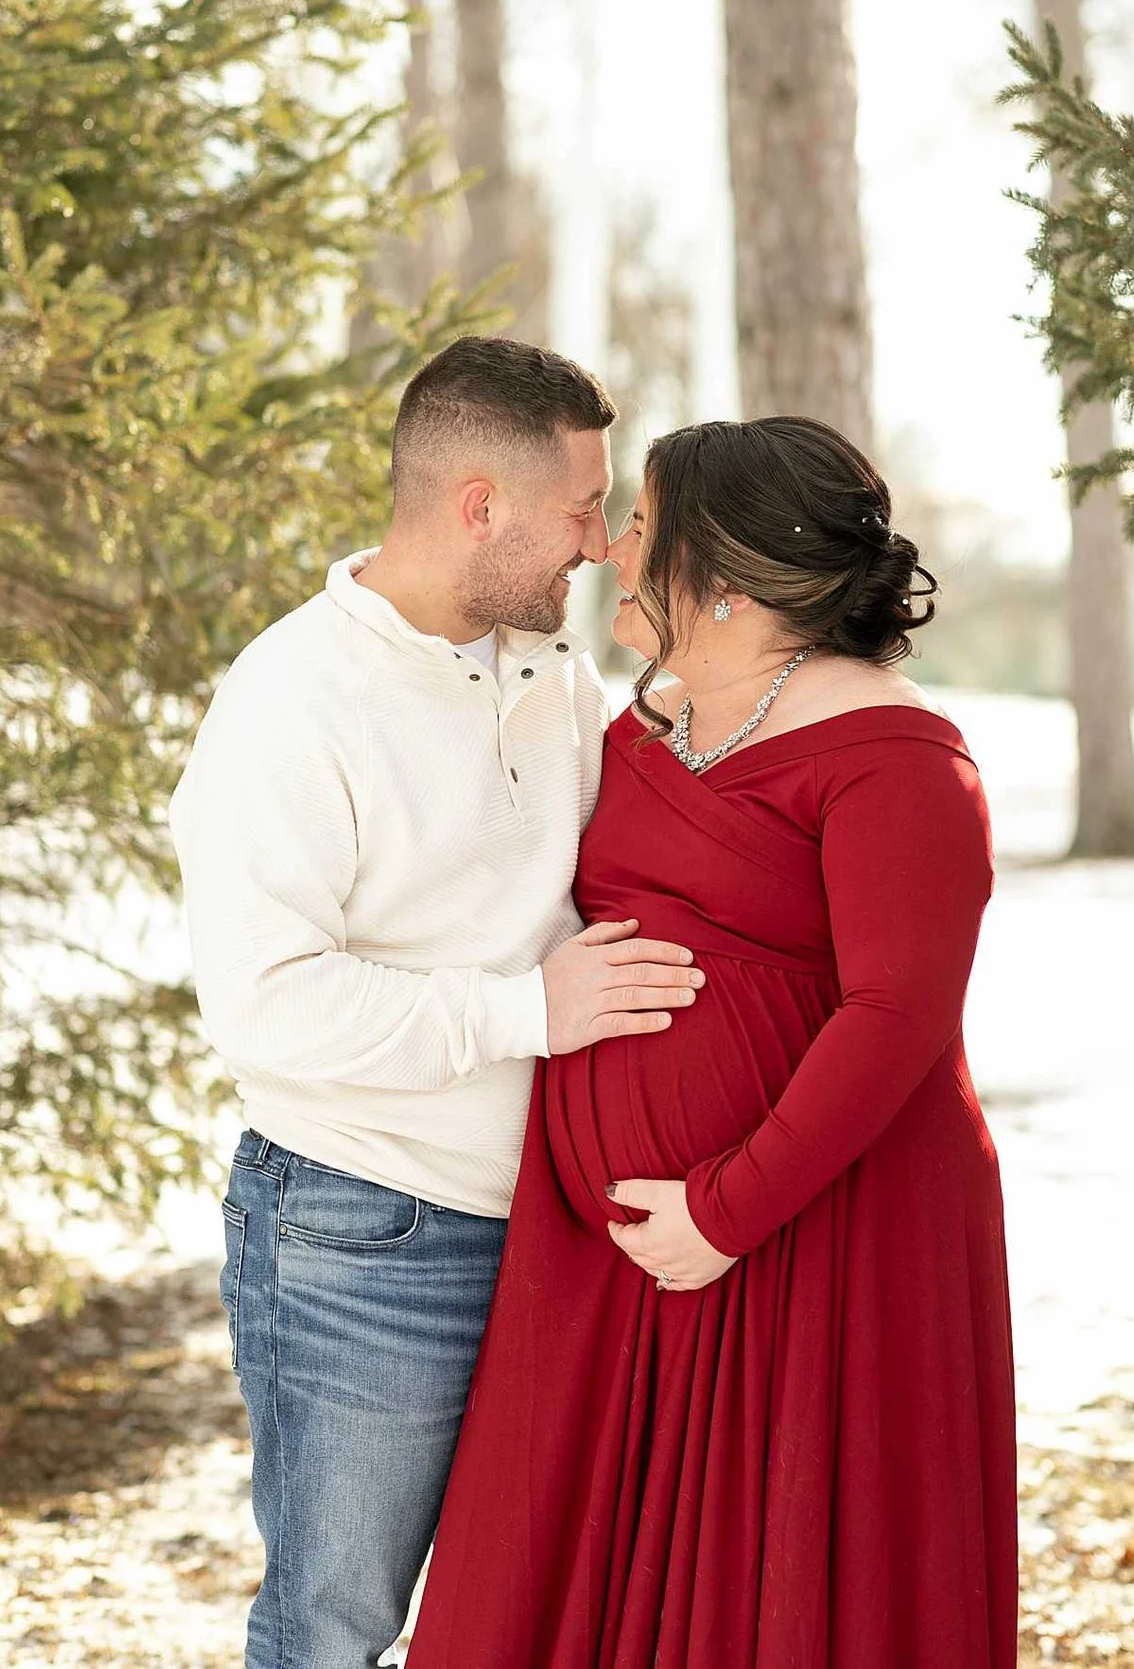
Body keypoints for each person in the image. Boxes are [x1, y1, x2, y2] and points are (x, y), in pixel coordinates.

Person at [407, 418, 1014, 1666]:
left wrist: (727, 1210)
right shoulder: (644, 727)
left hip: (814, 1237)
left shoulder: (899, 757)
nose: (611, 551)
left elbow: (897, 1018)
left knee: (776, 1583)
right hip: (614, 1259)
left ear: (724, 570)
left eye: (640, 525)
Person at [168, 335, 704, 1669]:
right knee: (334, 1629)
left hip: (557, 1228)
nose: (602, 544)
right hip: (366, 1232)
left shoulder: (552, 670)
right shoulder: (293, 698)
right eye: (582, 508)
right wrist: (525, 1013)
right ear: (479, 505)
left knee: (517, 1625)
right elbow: (266, 1005)